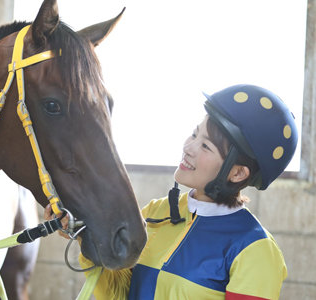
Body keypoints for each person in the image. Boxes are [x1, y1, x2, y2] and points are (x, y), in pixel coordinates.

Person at [45, 84, 297, 299]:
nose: (189, 147)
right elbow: (118, 294)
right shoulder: (156, 212)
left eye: (206, 146)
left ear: (237, 173)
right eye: (194, 134)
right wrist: (84, 234)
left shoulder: (255, 249)